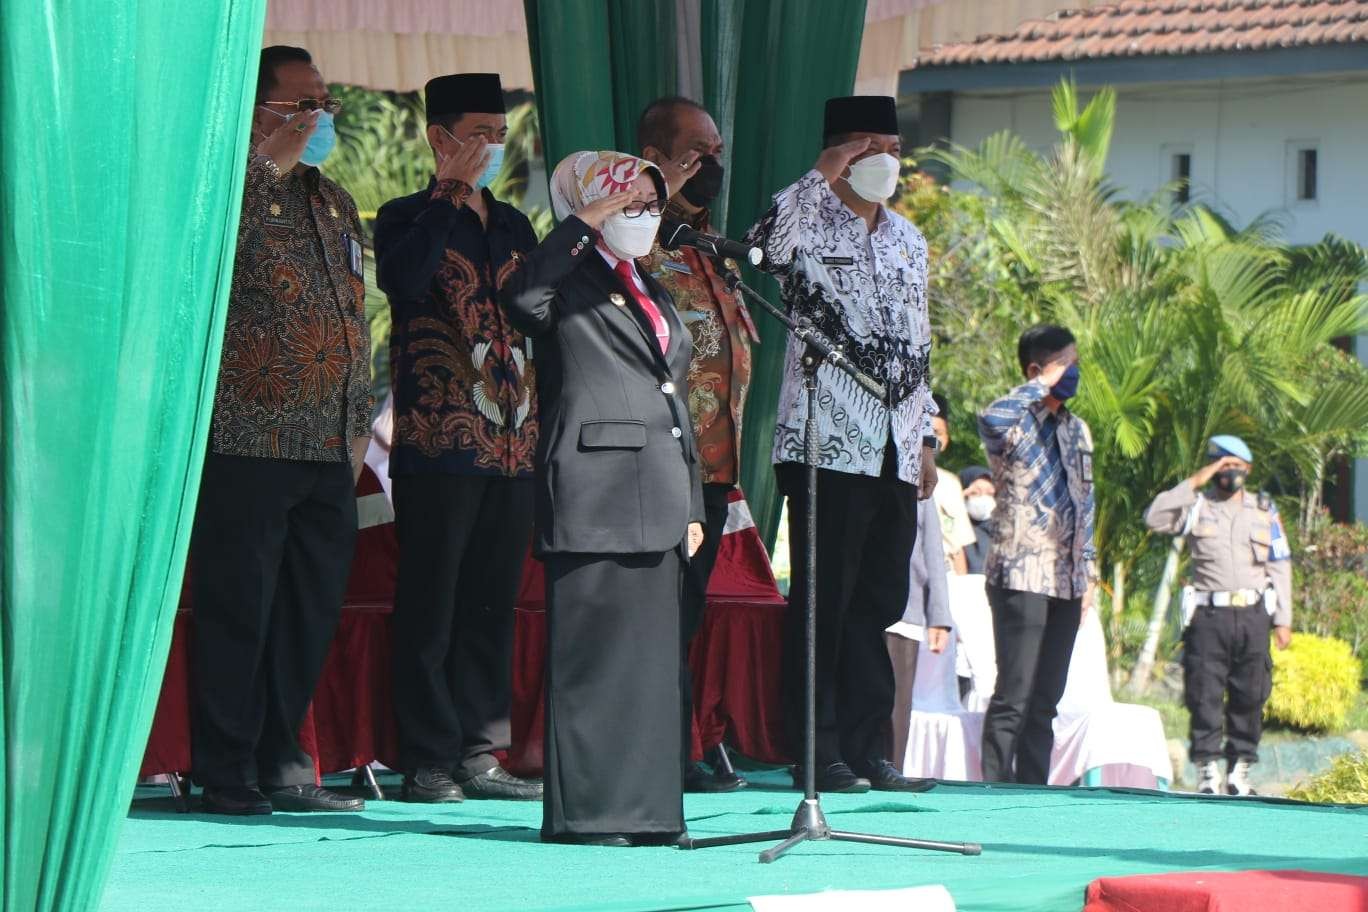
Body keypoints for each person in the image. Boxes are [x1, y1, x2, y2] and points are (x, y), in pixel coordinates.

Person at [500, 151, 704, 847]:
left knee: (650, 667)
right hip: (597, 489)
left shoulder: (646, 281)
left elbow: (673, 395)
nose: (646, 218)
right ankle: (590, 815)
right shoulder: (569, 276)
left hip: (661, 492)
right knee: (594, 666)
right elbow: (523, 300)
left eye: (652, 205)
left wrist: (694, 501)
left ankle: (647, 812)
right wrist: (584, 223)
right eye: (631, 205)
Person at [190, 46, 371, 815]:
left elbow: (356, 308)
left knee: (307, 612)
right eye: (299, 106)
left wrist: (360, 419)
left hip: (330, 443)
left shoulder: (333, 199)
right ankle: (223, 772)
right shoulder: (220, 188)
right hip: (249, 438)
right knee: (239, 610)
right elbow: (201, 272)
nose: (316, 119)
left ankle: (283, 763)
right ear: (253, 111)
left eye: (323, 104)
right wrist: (262, 167)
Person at [746, 95, 938, 794]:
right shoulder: (806, 220)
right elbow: (759, 247)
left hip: (894, 443)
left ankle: (868, 749)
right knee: (822, 604)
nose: (885, 161)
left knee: (878, 602)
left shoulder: (908, 239)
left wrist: (927, 435)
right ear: (841, 153)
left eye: (892, 148)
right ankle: (813, 748)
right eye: (869, 148)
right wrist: (818, 176)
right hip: (826, 441)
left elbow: (919, 339)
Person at [373, 73, 542, 803]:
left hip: (514, 444)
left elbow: (540, 312)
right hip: (441, 440)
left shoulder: (512, 224)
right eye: (479, 135)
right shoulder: (404, 216)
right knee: (431, 605)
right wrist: (446, 195)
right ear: (440, 139)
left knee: (488, 604)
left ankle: (479, 749)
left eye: (501, 136)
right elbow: (405, 282)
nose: (492, 149)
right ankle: (428, 757)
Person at [637, 96, 756, 793]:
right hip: (654, 463)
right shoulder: (637, 231)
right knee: (653, 614)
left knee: (683, 614)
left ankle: (676, 748)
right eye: (697, 151)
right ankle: (650, 753)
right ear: (658, 154)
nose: (712, 164)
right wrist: (659, 190)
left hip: (710, 468)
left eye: (716, 151)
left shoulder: (704, 240)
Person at [977, 324, 1096, 785]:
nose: (1075, 372)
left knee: (1046, 699)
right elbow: (990, 416)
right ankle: (990, 789)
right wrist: (1039, 384)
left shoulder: (1078, 429)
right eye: (1067, 363)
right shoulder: (1014, 421)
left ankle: (1032, 790)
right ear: (1035, 369)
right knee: (1015, 694)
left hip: (1066, 580)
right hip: (1020, 574)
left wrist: (1088, 574)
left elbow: (1087, 504)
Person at [1143, 435, 1293, 796]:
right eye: (1221, 466)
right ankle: (1207, 770)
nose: (1229, 474)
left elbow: (1281, 564)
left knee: (1251, 694)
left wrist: (1283, 619)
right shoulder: (1196, 507)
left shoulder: (1264, 510)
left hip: (1254, 614)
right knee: (1204, 693)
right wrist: (1194, 481)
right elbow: (1153, 517)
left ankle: (1240, 771)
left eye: (1235, 466)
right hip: (1210, 615)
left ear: (1248, 469)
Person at [885, 501, 953, 771]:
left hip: (905, 609)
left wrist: (939, 616)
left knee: (895, 708)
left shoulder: (917, 476)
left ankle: (890, 769)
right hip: (857, 609)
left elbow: (933, 551)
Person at [931, 395, 977, 575]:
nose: (930, 438)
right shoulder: (898, 479)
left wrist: (961, 587)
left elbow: (958, 546)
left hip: (945, 571)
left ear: (946, 439)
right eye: (924, 430)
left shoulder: (950, 483)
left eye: (937, 433)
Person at [959, 465, 995, 575]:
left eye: (990, 494)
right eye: (974, 493)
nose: (983, 498)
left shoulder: (1005, 532)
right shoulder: (956, 531)